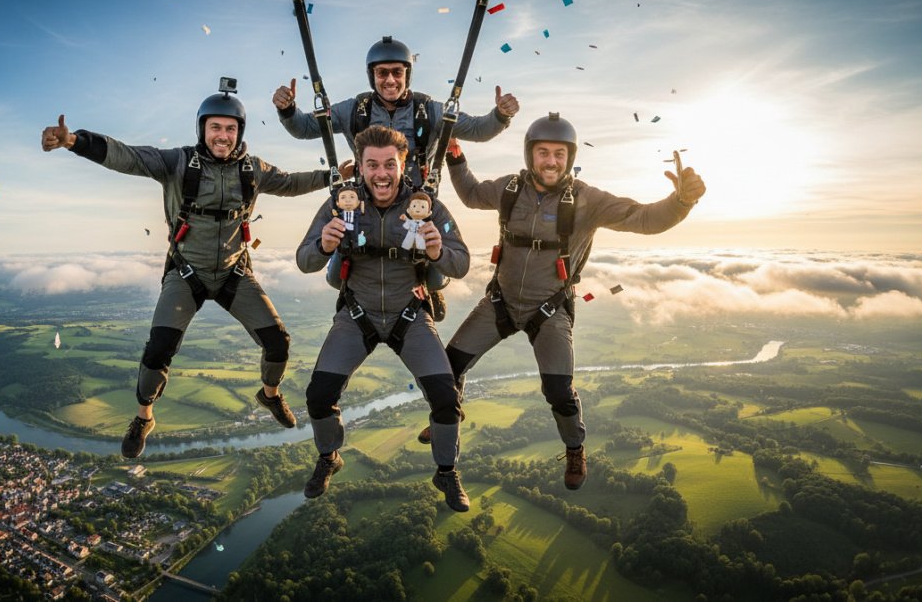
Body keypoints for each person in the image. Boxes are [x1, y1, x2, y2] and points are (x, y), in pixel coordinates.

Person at [40, 81, 335, 459]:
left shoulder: (253, 169)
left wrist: (331, 177)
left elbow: (291, 183)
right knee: (158, 350)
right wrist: (74, 141)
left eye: (230, 129)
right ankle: (144, 417)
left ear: (240, 132)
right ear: (202, 129)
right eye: (216, 127)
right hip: (187, 273)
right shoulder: (178, 163)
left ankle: (269, 395)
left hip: (233, 273)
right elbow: (128, 157)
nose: (223, 136)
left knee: (278, 343)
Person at [436, 113, 707, 490]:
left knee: (559, 392)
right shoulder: (509, 188)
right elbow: (470, 193)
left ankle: (575, 447)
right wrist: (454, 155)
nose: (551, 161)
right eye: (543, 153)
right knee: (447, 367)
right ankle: (448, 418)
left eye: (559, 154)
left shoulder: (587, 200)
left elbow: (643, 219)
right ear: (530, 154)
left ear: (570, 157)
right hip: (501, 302)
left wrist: (680, 202)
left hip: (549, 309)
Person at [295, 124, 472, 512]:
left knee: (446, 399)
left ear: (403, 165)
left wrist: (439, 253)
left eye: (389, 164)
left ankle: (446, 471)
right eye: (372, 165)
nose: (381, 174)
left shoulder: (426, 204)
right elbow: (304, 260)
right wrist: (324, 245)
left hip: (409, 313)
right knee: (319, 396)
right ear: (359, 166)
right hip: (357, 313)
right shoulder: (339, 204)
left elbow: (461, 264)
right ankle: (329, 456)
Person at [272, 35, 520, 184]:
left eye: (397, 72)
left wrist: (500, 115)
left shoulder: (430, 111)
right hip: (366, 203)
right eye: (382, 72)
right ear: (372, 76)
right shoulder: (354, 110)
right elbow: (305, 128)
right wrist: (288, 109)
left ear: (407, 75)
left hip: (417, 204)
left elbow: (478, 130)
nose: (390, 80)